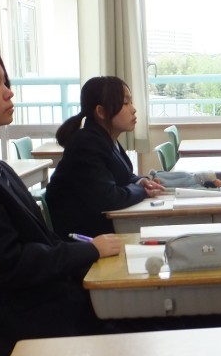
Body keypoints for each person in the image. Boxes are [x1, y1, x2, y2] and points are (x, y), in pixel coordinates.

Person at [0, 44, 123, 356]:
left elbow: (40, 242)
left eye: (5, 82)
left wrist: (87, 249)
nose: (9, 92)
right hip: (30, 331)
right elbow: (10, 264)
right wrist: (89, 250)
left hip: (49, 308)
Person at [45, 76, 165, 239]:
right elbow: (109, 198)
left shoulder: (106, 139)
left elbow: (122, 176)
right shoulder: (86, 144)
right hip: (82, 239)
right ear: (101, 112)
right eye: (125, 103)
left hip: (101, 231)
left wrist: (140, 181)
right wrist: (144, 191)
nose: (133, 109)